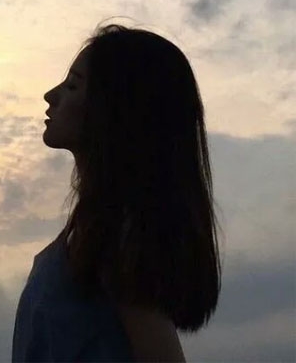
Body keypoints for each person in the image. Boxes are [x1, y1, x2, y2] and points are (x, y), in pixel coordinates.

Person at [12, 21, 224, 362]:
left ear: (114, 109)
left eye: (73, 85)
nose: (51, 95)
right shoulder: (95, 231)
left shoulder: (117, 237)